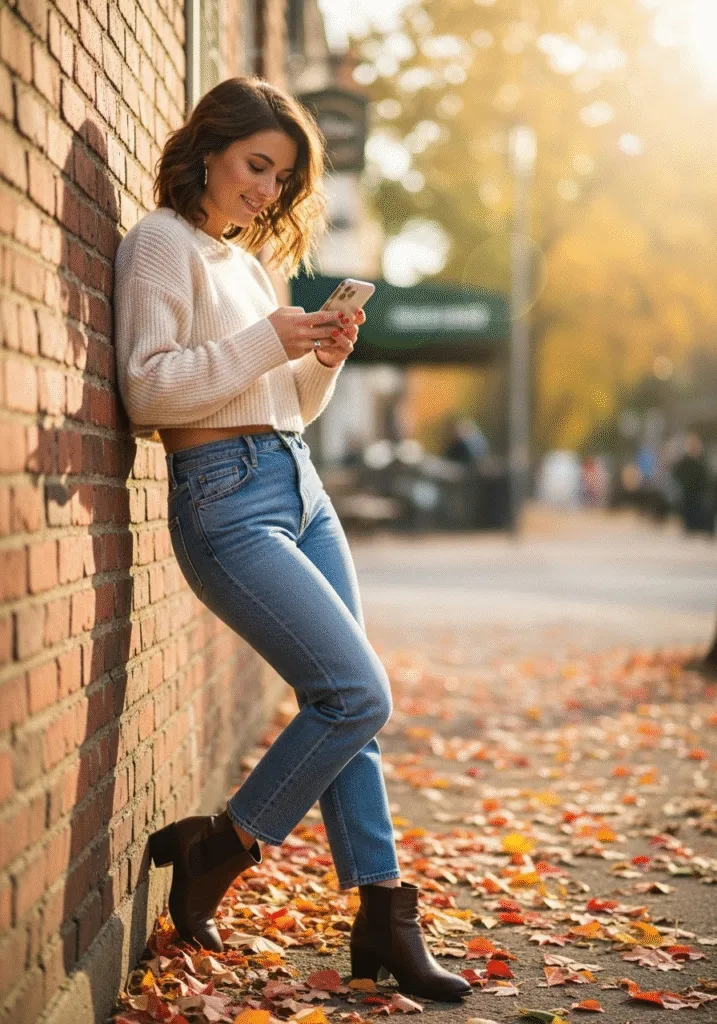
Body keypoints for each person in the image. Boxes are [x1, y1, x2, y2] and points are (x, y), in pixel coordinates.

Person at [113, 76, 469, 1002]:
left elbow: (279, 404)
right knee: (357, 694)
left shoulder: (249, 266)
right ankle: (221, 845)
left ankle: (385, 914)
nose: (266, 191)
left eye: (281, 177)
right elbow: (150, 392)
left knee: (355, 710)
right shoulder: (161, 244)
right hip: (223, 497)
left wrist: (316, 362)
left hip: (297, 483)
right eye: (255, 166)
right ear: (207, 150)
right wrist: (271, 343)